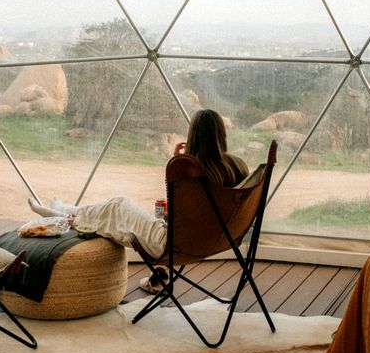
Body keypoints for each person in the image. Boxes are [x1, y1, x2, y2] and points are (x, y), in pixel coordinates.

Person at [27, 109, 249, 293]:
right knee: (115, 216)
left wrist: (178, 161)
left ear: (193, 135)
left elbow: (177, 212)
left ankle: (64, 215)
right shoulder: (238, 166)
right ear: (221, 134)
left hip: (170, 243)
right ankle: (68, 213)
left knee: (118, 207)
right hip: (215, 241)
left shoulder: (190, 170)